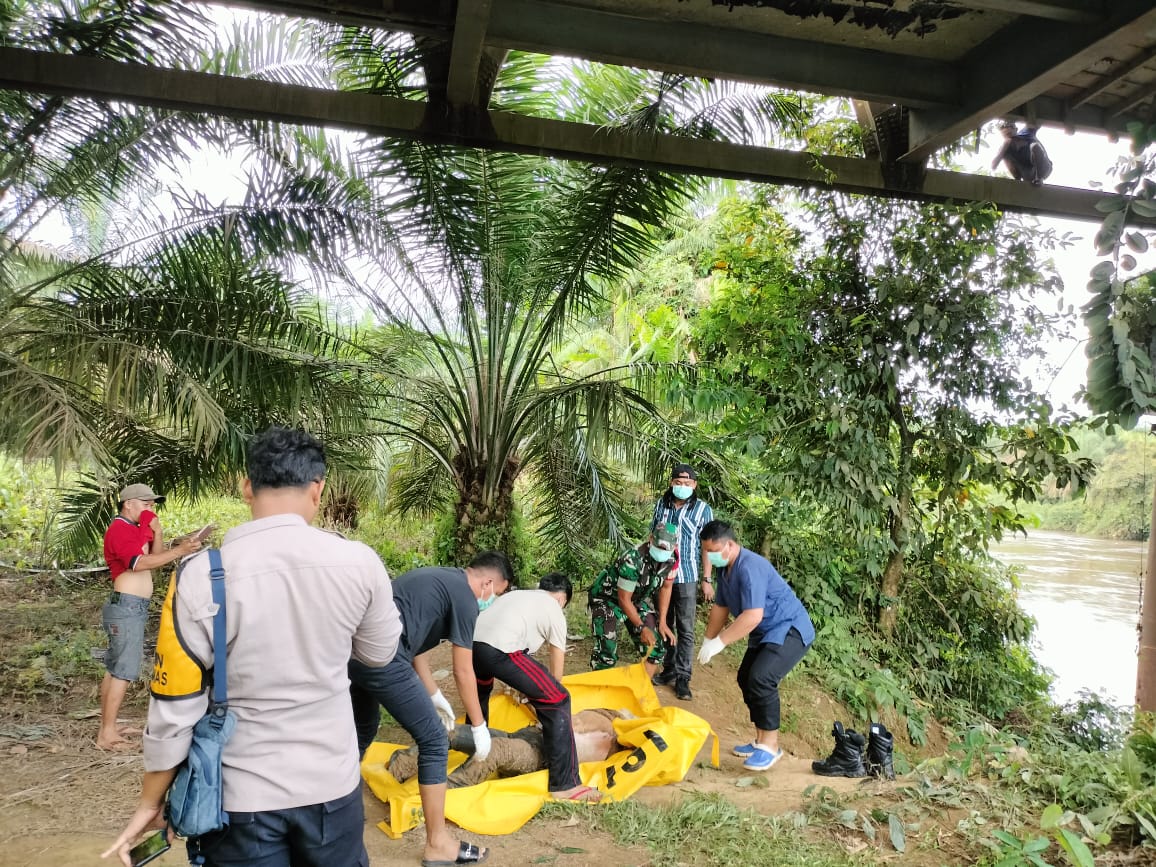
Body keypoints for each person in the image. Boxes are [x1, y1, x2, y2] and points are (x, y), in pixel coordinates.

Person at [102, 426, 404, 867]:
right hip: (332, 788)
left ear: (247, 487)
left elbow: (175, 707)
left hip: (241, 798)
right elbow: (378, 654)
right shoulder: (360, 562)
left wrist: (152, 801)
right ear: (318, 489)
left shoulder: (202, 575)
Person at [349, 551, 514, 867]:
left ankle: (331, 808)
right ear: (488, 583)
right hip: (384, 657)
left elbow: (414, 644)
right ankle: (438, 844)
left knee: (362, 729)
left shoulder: (440, 579)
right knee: (435, 741)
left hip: (357, 654)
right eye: (498, 594)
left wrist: (434, 695)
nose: (492, 600)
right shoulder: (465, 597)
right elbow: (464, 670)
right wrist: (479, 727)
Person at [696, 520, 814, 773]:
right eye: (706, 551)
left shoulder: (750, 567)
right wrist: (708, 639)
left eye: (713, 551)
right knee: (745, 677)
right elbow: (721, 607)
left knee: (761, 678)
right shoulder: (725, 568)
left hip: (789, 628)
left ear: (729, 545)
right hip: (765, 632)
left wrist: (720, 642)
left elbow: (752, 616)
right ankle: (761, 739)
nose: (710, 556)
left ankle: (770, 747)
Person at [471, 572, 600, 802]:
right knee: (559, 699)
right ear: (562, 600)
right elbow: (556, 677)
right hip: (501, 649)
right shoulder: (554, 610)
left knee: (480, 692)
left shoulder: (519, 595)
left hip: (474, 646)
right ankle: (565, 784)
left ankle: (471, 749)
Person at [98, 483, 201, 751]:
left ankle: (108, 725)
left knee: (116, 667)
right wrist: (179, 551)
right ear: (128, 504)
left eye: (153, 505)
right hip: (126, 606)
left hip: (133, 606)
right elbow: (139, 564)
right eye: (146, 504)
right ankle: (106, 735)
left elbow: (155, 558)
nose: (151, 509)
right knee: (124, 670)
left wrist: (158, 531)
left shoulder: (134, 529)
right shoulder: (119, 529)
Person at [388, 707, 629, 788]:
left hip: (538, 754)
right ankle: (399, 766)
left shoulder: (621, 740)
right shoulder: (595, 715)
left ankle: (441, 794)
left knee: (497, 750)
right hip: (529, 734)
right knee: (452, 731)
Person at [651, 463, 714, 701]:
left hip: (687, 575)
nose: (682, 487)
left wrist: (706, 579)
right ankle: (669, 669)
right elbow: (653, 535)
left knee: (686, 628)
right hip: (663, 572)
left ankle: (683, 678)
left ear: (694, 485)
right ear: (671, 483)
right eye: (678, 483)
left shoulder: (702, 510)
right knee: (664, 622)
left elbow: (708, 546)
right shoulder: (662, 505)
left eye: (687, 484)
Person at [588, 522, 678, 676]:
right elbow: (623, 600)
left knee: (655, 649)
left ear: (674, 546)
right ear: (651, 538)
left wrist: (662, 621)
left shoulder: (672, 559)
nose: (663, 551)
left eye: (666, 549)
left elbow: (666, 587)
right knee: (607, 652)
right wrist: (641, 627)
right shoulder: (633, 559)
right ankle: (600, 693)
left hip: (635, 600)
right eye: (659, 547)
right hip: (607, 599)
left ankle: (639, 693)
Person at [992, 120, 1052, 186]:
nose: (1007, 129)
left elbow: (1037, 120)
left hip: (1043, 169)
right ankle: (1018, 180)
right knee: (1005, 154)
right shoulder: (1005, 147)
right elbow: (993, 166)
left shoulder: (1026, 133)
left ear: (1016, 129)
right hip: (1027, 174)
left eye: (1010, 127)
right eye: (1004, 128)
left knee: (1034, 146)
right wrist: (1005, 145)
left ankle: (1039, 179)